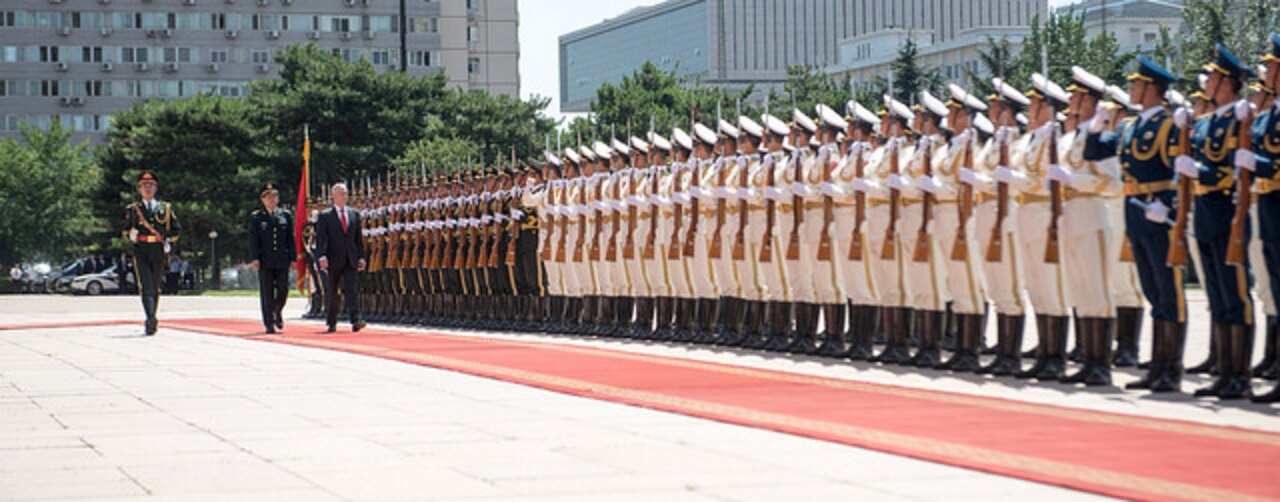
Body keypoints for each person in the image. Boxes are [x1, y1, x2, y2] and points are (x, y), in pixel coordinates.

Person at [122, 170, 181, 336]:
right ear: (139, 189)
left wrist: (168, 241)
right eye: (144, 186)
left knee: (155, 287)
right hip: (141, 250)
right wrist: (130, 235)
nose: (147, 188)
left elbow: (176, 230)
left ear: (156, 188)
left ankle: (152, 315)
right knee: (145, 286)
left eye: (150, 185)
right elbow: (125, 231)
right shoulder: (134, 209)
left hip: (158, 250)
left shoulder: (166, 209)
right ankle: (150, 318)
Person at [315, 182, 366, 333]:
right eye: (342, 194)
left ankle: (355, 319)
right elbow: (320, 240)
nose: (345, 196)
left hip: (350, 258)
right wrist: (322, 257)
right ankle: (331, 321)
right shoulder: (325, 216)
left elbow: (358, 239)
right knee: (332, 292)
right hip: (333, 258)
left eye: (346, 193)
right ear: (334, 196)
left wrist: (361, 257)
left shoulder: (354, 214)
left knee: (352, 289)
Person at [249, 182, 296, 334]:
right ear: (263, 199)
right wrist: (255, 258)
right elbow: (253, 239)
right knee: (267, 292)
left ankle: (277, 311)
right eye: (269, 196)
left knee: (283, 289)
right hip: (265, 260)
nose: (273, 199)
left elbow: (290, 238)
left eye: (275, 195)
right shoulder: (257, 218)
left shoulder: (285, 215)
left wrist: (293, 258)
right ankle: (269, 322)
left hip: (282, 259)